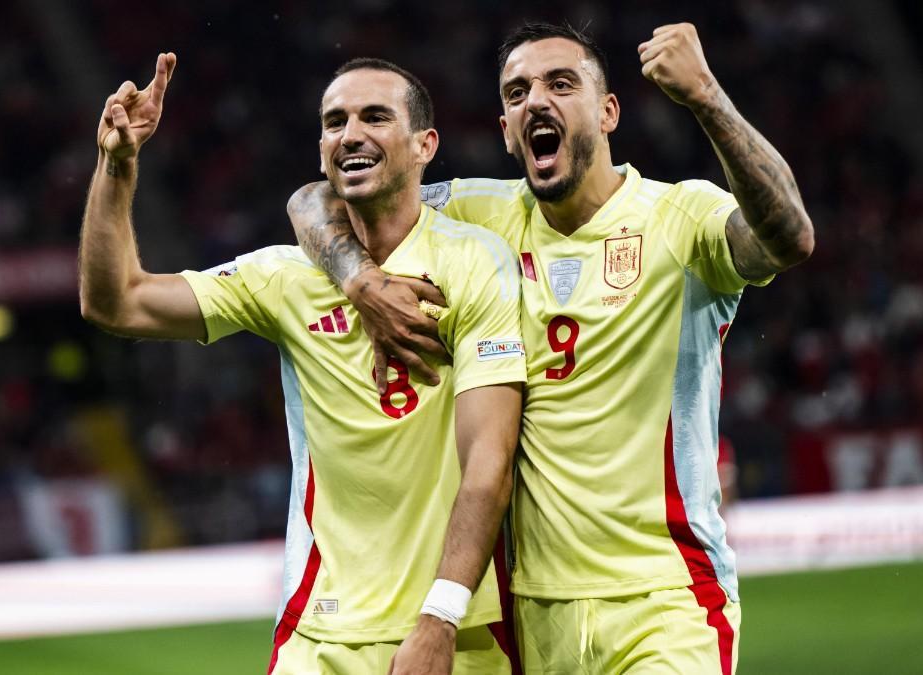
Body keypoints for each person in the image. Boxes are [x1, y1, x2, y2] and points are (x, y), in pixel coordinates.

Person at [287, 22, 814, 674]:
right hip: (536, 612)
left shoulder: (681, 218)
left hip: (666, 596)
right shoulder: (480, 217)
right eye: (517, 91)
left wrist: (704, 94)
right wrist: (359, 279)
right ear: (507, 129)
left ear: (608, 110)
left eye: (561, 84)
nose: (536, 100)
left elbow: (789, 236)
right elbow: (320, 198)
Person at [78, 52, 528, 674]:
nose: (351, 134)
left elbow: (488, 461)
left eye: (375, 117)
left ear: (425, 145)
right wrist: (117, 165)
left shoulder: (476, 262)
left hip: (458, 632)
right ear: (322, 152)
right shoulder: (284, 276)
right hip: (320, 631)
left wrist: (440, 618)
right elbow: (116, 303)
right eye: (335, 121)